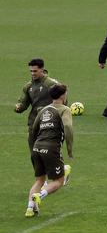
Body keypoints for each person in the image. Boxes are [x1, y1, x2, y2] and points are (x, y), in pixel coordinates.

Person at [25, 83, 73, 217]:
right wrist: (69, 148)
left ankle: (30, 209)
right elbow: (68, 127)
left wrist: (35, 146)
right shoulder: (64, 109)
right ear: (63, 95)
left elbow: (33, 130)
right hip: (51, 148)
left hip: (36, 147)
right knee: (59, 181)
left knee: (39, 180)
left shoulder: (43, 110)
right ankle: (40, 195)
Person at [15, 58, 62, 150]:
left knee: (47, 152)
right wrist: (19, 107)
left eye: (35, 71)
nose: (32, 73)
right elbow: (24, 103)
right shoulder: (28, 86)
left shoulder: (51, 84)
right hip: (34, 123)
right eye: (31, 71)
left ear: (42, 69)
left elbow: (63, 100)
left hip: (49, 123)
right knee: (34, 154)